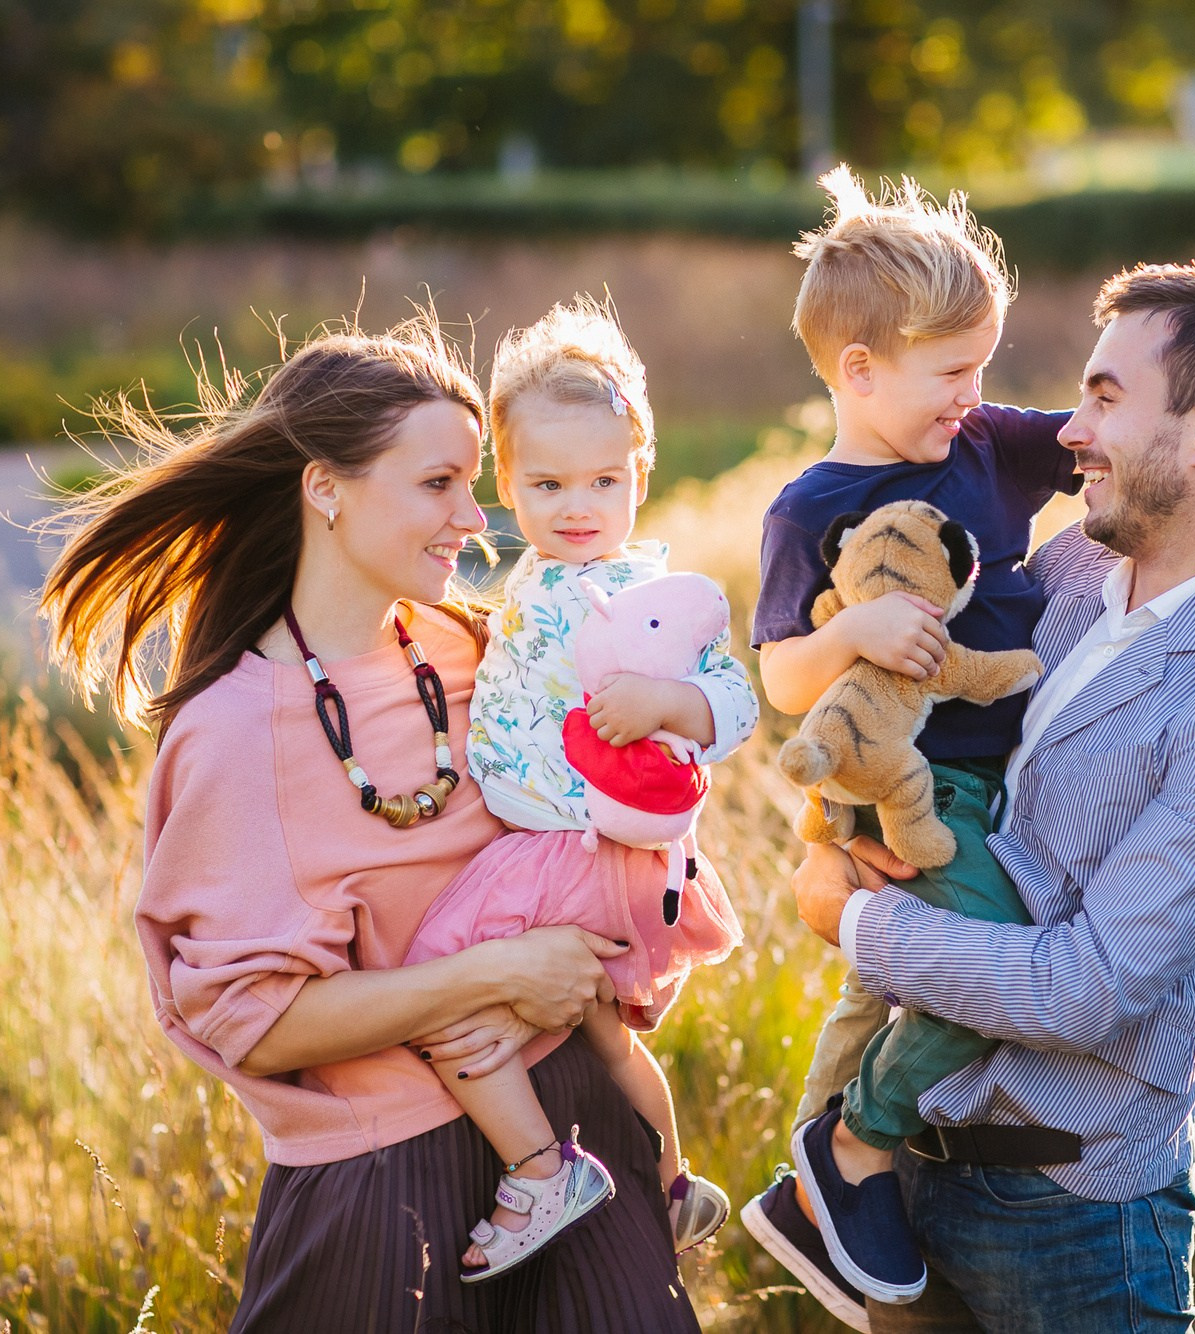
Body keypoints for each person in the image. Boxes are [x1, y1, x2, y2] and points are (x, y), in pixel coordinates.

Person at [40, 312, 701, 1331]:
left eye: (475, 483)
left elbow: (613, 837)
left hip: (582, 1139)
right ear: (325, 487)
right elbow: (251, 1021)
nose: (474, 519)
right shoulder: (232, 733)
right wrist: (497, 975)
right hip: (388, 1185)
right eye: (437, 483)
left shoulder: (490, 650)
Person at [775, 262, 1195, 1332]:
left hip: (1071, 1222)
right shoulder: (1072, 563)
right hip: (899, 1184)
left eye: (1105, 398)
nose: (1067, 430)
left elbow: (1081, 991)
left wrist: (845, 916)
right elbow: (910, 708)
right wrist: (829, 832)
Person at [737, 165, 1077, 1322]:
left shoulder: (984, 446)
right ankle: (855, 1146)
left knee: (892, 976)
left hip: (1005, 779)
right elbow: (780, 672)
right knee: (983, 964)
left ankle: (809, 1175)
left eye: (982, 366)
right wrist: (857, 632)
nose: (974, 395)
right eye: (952, 372)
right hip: (912, 784)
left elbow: (1094, 441)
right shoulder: (808, 507)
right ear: (859, 370)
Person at [402, 299, 752, 1281]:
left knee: (446, 992)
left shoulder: (655, 598)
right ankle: (676, 1180)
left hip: (575, 848)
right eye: (547, 482)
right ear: (504, 484)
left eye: (603, 478)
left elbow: (735, 703)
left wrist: (670, 700)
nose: (577, 503)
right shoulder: (529, 585)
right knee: (601, 1036)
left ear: (639, 473)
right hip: (589, 849)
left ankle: (535, 1168)